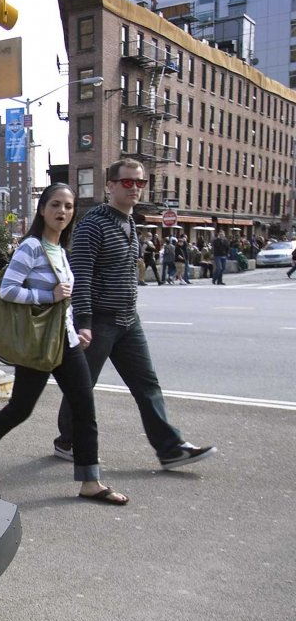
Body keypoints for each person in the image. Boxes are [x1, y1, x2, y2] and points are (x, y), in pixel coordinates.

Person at [54, 159, 216, 470]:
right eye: (127, 182)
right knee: (82, 386)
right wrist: (83, 323)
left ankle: (170, 448)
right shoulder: (93, 224)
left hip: (129, 320)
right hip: (99, 320)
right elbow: (81, 275)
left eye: (140, 183)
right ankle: (67, 440)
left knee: (147, 385)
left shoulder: (130, 222)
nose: (135, 188)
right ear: (110, 186)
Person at [0, 184, 127, 505]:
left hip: (66, 341)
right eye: (55, 205)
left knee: (84, 407)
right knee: (20, 409)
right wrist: (48, 295)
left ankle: (90, 481)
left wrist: (77, 330)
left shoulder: (60, 249)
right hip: (39, 342)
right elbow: (7, 290)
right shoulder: (32, 247)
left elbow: (65, 303)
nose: (62, 211)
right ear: (42, 209)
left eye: (68, 206)